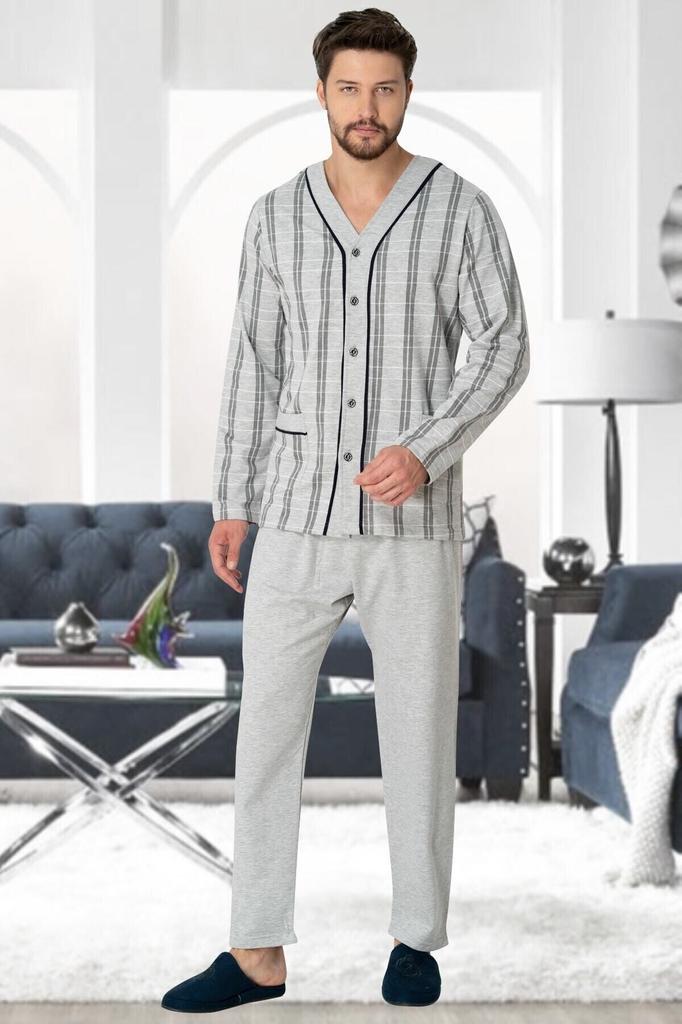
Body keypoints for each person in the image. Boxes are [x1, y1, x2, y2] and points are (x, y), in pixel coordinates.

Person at [162, 6, 529, 1013]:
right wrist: (232, 501)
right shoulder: (276, 214)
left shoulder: (461, 209)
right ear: (321, 92)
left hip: (412, 525)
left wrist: (427, 448)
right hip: (291, 512)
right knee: (266, 734)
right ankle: (255, 953)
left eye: (385, 89)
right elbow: (252, 362)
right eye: (349, 88)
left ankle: (415, 941)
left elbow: (504, 346)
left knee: (417, 733)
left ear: (408, 93)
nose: (367, 107)